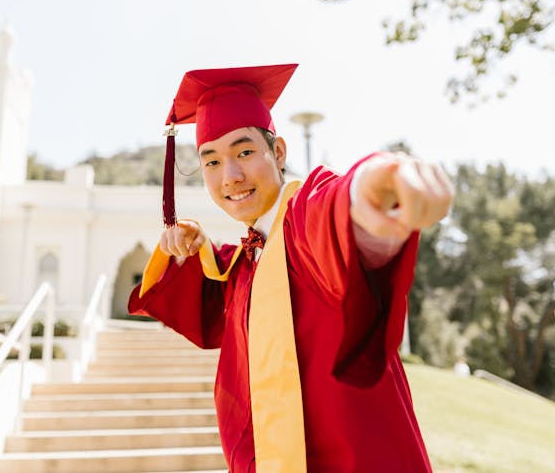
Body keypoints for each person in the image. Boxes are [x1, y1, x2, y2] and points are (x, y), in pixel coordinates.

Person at [128, 63, 453, 472]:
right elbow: (210, 305)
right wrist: (188, 251)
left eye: (245, 152)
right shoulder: (247, 261)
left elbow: (336, 211)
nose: (230, 176)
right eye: (211, 162)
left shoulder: (301, 219)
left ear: (278, 152)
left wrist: (377, 183)